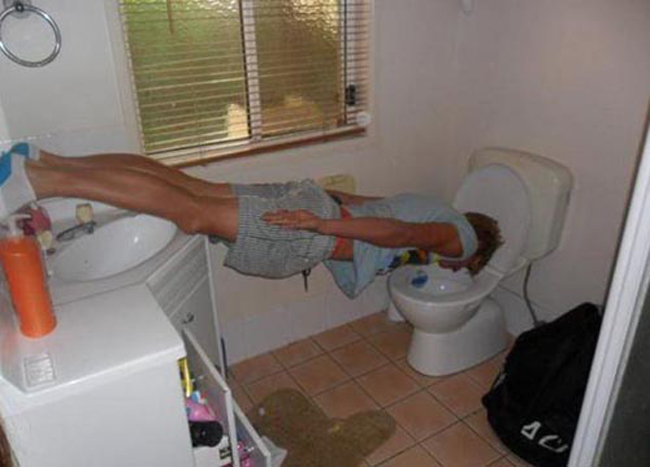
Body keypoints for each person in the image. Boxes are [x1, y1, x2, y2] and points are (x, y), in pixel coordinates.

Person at [0, 142, 502, 298]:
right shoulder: (456, 238)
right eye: (468, 265)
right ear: (476, 249)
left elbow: (374, 202)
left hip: (316, 204)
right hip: (314, 229)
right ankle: (40, 181)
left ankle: (45, 161)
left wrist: (321, 204)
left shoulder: (437, 205)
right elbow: (398, 233)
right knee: (191, 213)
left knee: (187, 187)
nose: (456, 266)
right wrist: (319, 225)